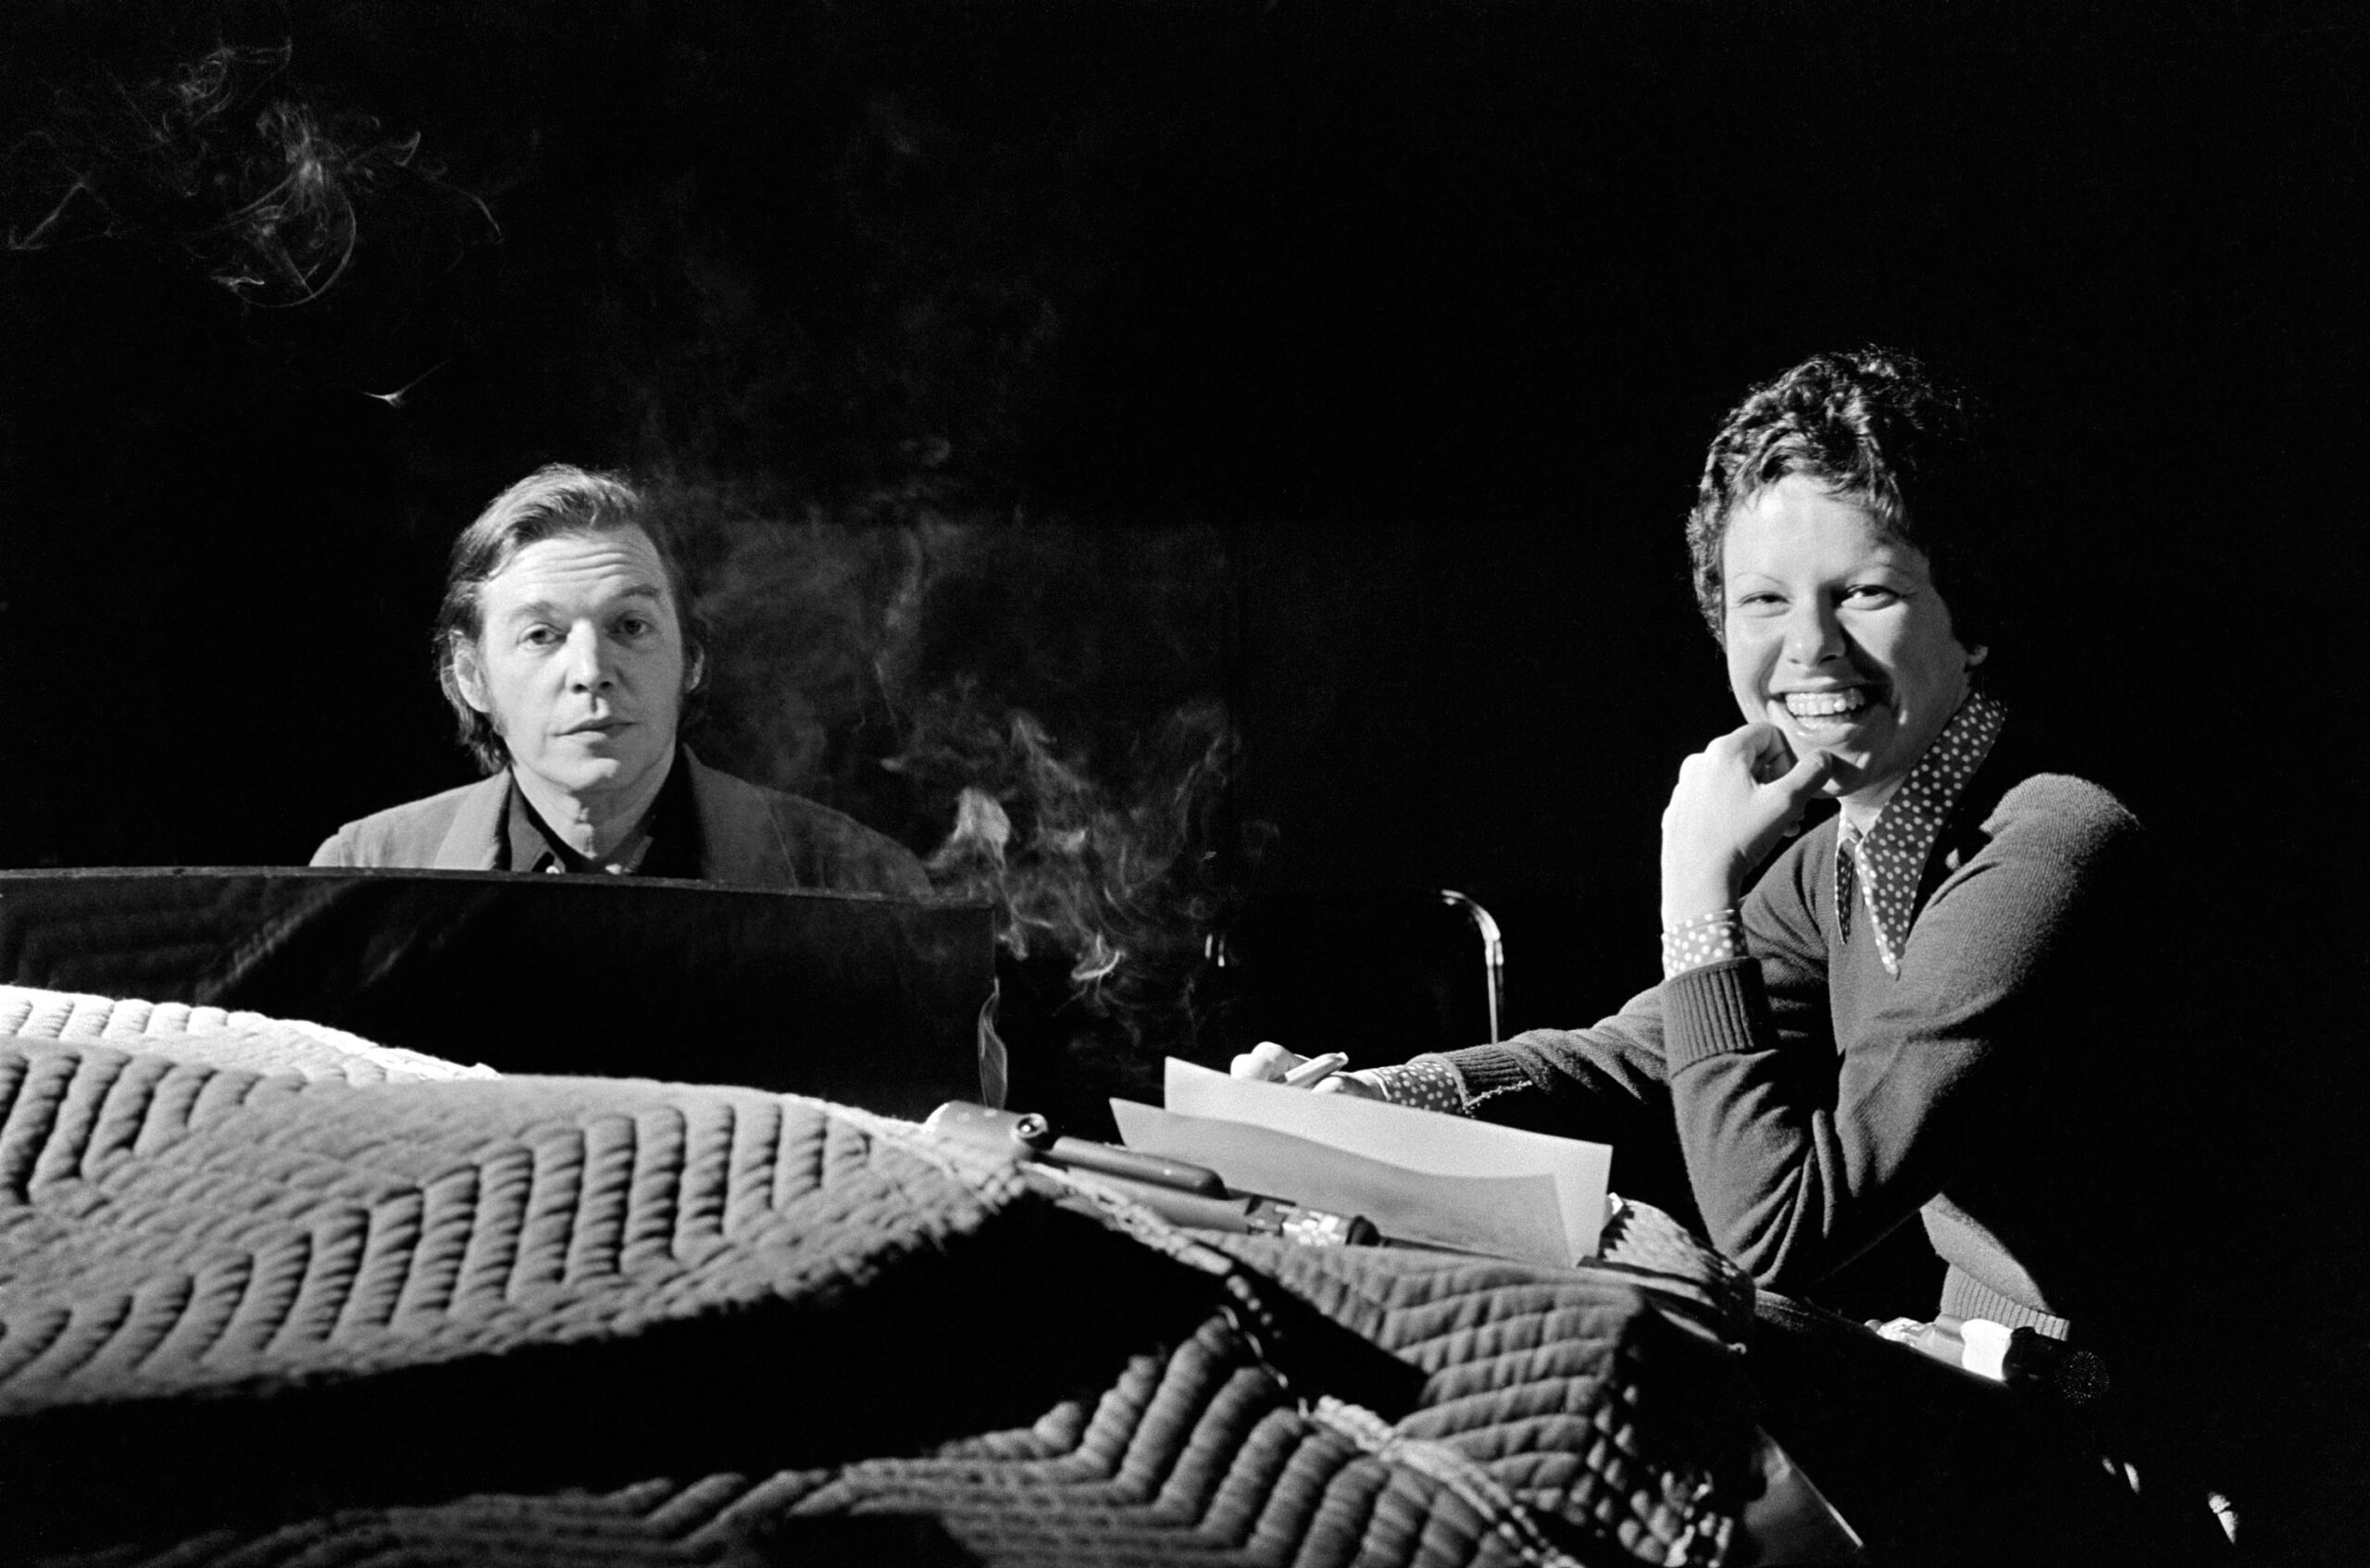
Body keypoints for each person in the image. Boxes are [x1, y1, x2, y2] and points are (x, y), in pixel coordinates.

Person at [1237, 350, 2227, 1560]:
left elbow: (1779, 1228)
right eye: (1763, 602)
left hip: (2132, 1472)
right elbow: (1635, 1056)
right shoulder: (1850, 851)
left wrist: (1694, 879)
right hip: (1982, 1403)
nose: (1808, 648)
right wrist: (1378, 1098)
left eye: (1865, 592)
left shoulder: (2048, 843)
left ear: (1972, 622)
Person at [312, 464, 931, 897]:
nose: (591, 673)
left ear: (692, 660)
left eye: (630, 626)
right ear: (472, 676)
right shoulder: (361, 875)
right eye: (541, 635)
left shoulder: (857, 881)